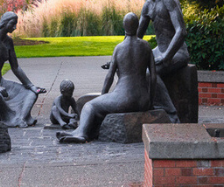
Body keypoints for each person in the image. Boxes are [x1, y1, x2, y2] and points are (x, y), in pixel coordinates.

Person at [58, 12, 156, 143]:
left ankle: (81, 133)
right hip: (142, 100)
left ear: (124, 27)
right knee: (97, 106)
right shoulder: (146, 46)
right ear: (138, 26)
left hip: (124, 99)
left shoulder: (119, 48)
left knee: (90, 106)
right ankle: (79, 131)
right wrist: (150, 101)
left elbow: (109, 76)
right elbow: (153, 77)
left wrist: (103, 95)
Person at [131, 0, 188, 122]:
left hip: (177, 53)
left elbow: (181, 31)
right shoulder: (149, 4)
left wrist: (166, 57)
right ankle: (141, 105)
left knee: (149, 73)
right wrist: (118, 56)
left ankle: (171, 115)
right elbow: (135, 36)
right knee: (132, 68)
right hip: (159, 51)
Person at [0, 11, 46, 127]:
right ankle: (8, 118)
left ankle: (23, 117)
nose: (15, 27)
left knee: (31, 93)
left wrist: (31, 85)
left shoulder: (8, 41)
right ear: (5, 23)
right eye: (13, 24)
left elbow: (15, 67)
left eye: (16, 24)